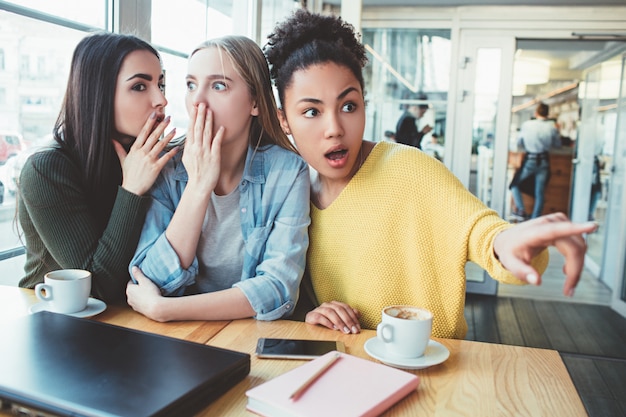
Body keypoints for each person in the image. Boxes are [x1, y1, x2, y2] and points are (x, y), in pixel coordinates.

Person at [263, 9, 597, 339]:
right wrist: (314, 313)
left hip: (432, 372)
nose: (335, 129)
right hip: (347, 368)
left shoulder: (408, 167)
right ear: (284, 121)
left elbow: (478, 229)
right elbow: (286, 289)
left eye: (349, 106)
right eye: (311, 112)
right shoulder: (294, 195)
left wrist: (508, 242)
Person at [126, 35, 310, 323]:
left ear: (255, 102)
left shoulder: (287, 172)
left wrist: (166, 310)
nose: (197, 101)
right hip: (179, 339)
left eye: (218, 85)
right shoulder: (168, 167)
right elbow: (147, 279)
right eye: (191, 85)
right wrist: (198, 187)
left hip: (245, 337)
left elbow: (278, 288)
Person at [17, 32, 177, 304]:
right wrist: (132, 190)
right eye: (140, 86)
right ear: (98, 93)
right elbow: (97, 288)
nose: (160, 99)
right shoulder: (46, 169)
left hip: (135, 319)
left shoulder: (151, 159)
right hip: (55, 321)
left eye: (160, 84)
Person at [509, 102, 561, 220]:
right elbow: (557, 144)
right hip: (544, 162)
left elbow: (519, 143)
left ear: (535, 113)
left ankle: (521, 210)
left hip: (530, 160)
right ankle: (535, 218)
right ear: (548, 114)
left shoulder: (527, 125)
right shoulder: (552, 126)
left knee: (514, 184)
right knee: (540, 192)